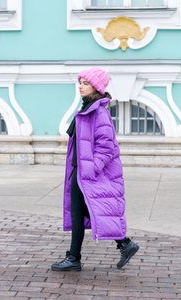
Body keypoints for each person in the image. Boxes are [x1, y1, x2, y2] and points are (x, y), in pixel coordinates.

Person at [51, 67, 139, 272]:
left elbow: (107, 147)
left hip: (86, 173)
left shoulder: (99, 112)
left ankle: (74, 258)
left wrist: (91, 169)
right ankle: (124, 244)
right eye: (80, 82)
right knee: (83, 211)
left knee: (79, 212)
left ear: (96, 87)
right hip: (78, 171)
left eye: (85, 83)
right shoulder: (86, 109)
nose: (80, 86)